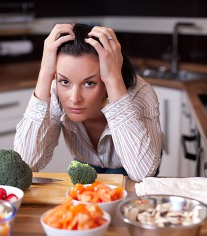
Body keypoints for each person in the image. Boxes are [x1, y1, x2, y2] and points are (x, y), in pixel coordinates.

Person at [14, 23, 161, 182]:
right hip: (85, 162)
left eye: (89, 83)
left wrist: (113, 80)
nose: (74, 98)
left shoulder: (140, 94)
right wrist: (44, 73)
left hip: (133, 165)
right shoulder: (54, 90)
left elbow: (143, 174)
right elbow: (24, 164)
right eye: (64, 81)